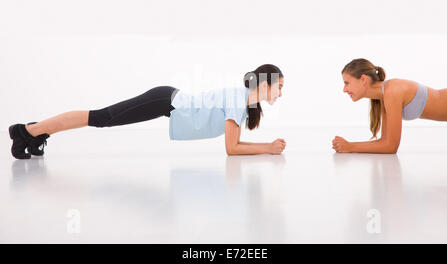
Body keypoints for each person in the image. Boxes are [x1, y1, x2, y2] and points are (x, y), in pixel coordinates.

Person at [9, 64, 286, 159]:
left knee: (101, 118)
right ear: (264, 84)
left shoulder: (241, 101)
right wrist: (268, 148)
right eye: (280, 87)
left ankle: (36, 130)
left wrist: (268, 147)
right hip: (164, 100)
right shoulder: (238, 100)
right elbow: (231, 149)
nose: (281, 93)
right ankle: (26, 132)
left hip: (167, 100)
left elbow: (234, 144)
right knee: (101, 118)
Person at [333, 58, 447, 154]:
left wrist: (350, 147)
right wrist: (349, 146)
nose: (344, 89)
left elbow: (391, 147)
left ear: (363, 79)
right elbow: (385, 142)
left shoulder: (392, 91)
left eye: (347, 83)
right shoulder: (385, 97)